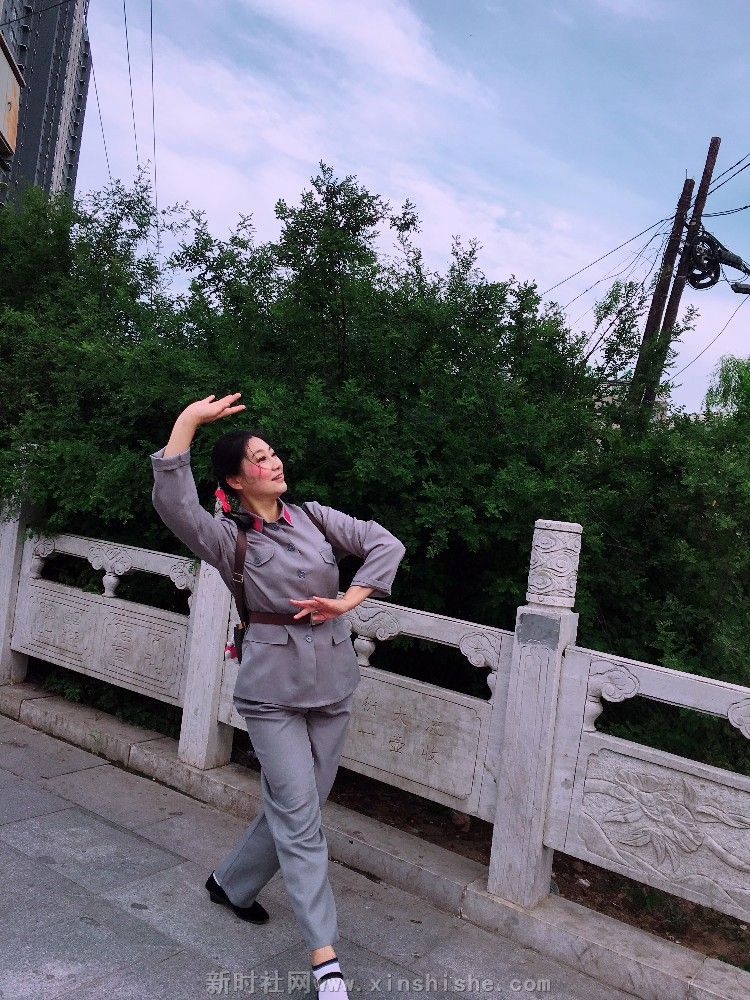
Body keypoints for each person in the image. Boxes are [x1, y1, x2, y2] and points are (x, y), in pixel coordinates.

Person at [150, 392, 406, 995]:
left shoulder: (313, 517)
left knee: (301, 804)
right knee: (300, 818)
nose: (274, 463)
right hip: (272, 693)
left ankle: (231, 884)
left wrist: (347, 601)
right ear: (236, 480)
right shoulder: (225, 538)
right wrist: (189, 421)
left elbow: (385, 543)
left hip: (333, 684)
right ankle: (326, 960)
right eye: (259, 459)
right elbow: (173, 501)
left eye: (273, 454)